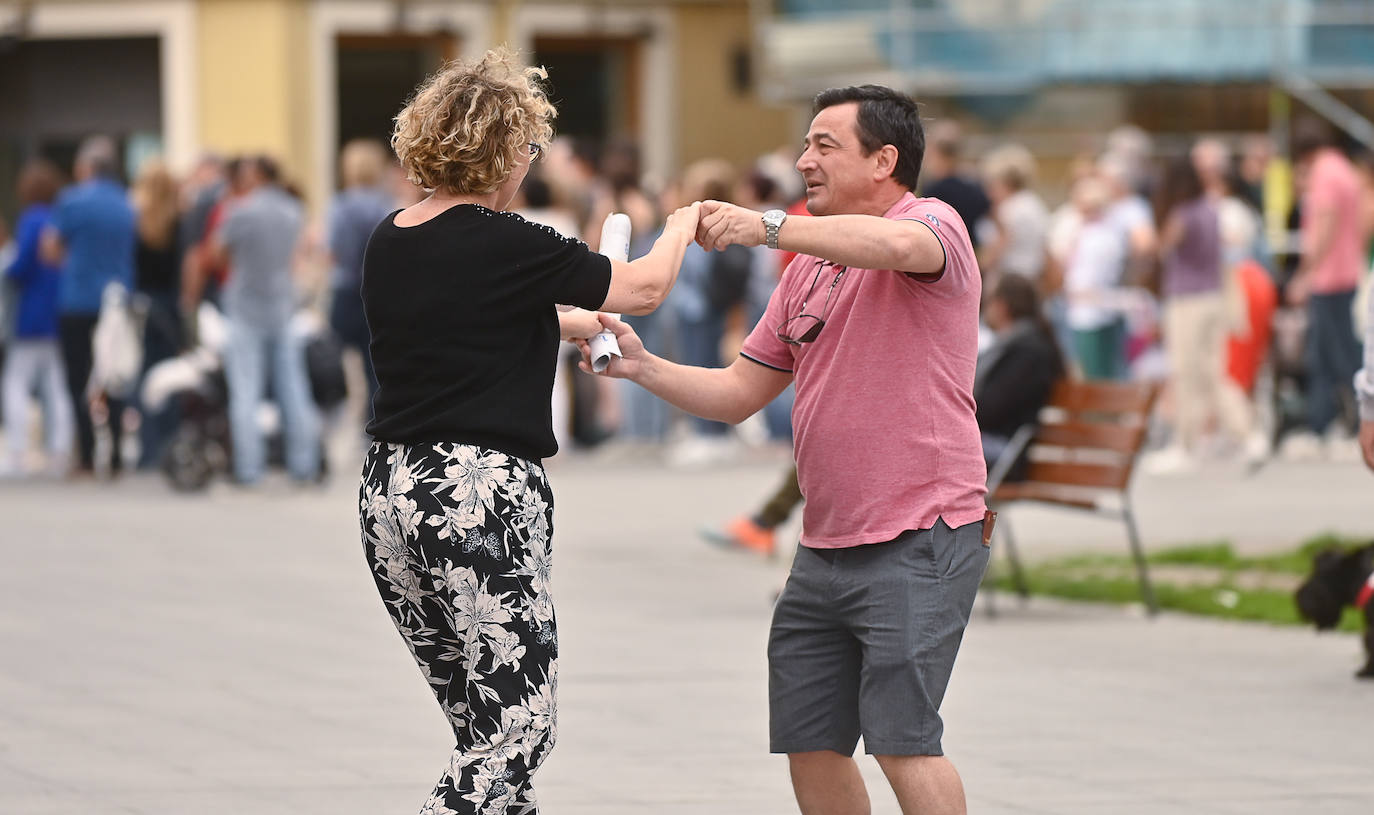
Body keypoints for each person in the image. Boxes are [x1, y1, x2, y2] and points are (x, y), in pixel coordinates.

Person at [579, 84, 989, 815]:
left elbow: (898, 248)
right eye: (805, 145)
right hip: (826, 543)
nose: (804, 161)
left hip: (921, 530)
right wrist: (641, 366)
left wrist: (765, 226)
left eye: (825, 146)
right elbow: (739, 391)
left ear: (884, 160)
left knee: (903, 740)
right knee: (811, 740)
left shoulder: (933, 222)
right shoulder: (807, 267)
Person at [357, 48, 700, 814]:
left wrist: (572, 324)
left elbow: (471, 319)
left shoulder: (392, 234)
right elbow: (644, 287)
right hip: (473, 494)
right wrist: (677, 226)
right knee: (518, 726)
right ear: (507, 148)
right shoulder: (508, 239)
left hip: (391, 493)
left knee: (480, 723)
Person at [207, 155, 320, 485]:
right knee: (293, 388)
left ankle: (249, 468)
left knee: (246, 391)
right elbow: (300, 252)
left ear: (255, 175)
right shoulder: (293, 209)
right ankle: (304, 464)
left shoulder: (241, 210)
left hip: (246, 306)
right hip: (282, 304)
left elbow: (216, 253)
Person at [41, 135, 136, 477]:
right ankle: (116, 455)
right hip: (117, 300)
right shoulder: (126, 202)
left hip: (78, 300)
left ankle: (87, 454)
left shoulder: (73, 200)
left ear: (87, 167)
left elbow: (50, 249)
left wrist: (72, 260)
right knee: (115, 375)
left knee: (78, 378)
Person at [1290, 121, 1367, 445]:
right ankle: (1331, 421)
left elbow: (1324, 224)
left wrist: (1304, 273)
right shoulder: (1345, 170)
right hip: (1347, 271)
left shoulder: (1323, 173)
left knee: (1331, 355)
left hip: (1329, 277)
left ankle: (1334, 422)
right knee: (1337, 352)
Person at [3, 160, 75, 476]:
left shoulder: (32, 219)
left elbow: (22, 266)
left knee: (15, 384)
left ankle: (18, 451)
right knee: (56, 386)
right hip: (58, 312)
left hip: (31, 314)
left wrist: (6, 270)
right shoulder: (60, 217)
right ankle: (59, 450)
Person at [327, 139, 396, 419]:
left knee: (337, 364)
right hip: (376, 293)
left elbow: (332, 250)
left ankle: (340, 419)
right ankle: (373, 421)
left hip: (345, 290)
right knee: (374, 367)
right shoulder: (384, 206)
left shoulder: (339, 205)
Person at [976, 274, 1065, 474]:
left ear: (1002, 306)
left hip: (1007, 449)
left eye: (987, 300)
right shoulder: (1012, 344)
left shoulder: (1029, 352)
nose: (983, 308)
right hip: (994, 440)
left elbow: (990, 409)